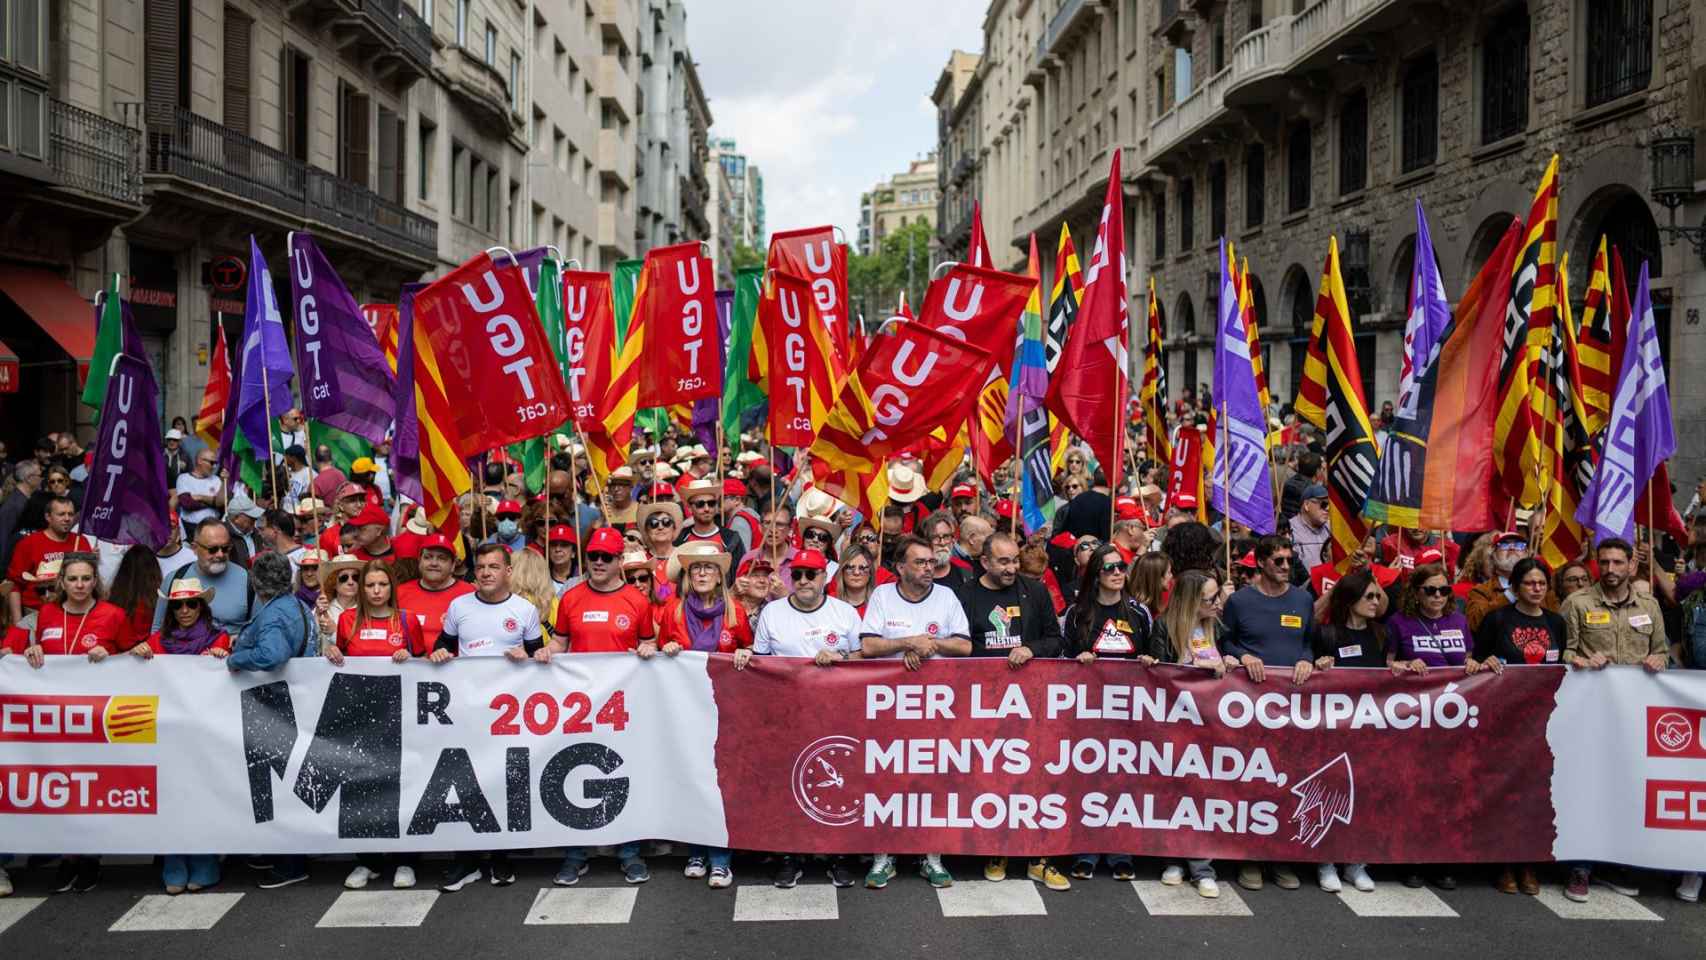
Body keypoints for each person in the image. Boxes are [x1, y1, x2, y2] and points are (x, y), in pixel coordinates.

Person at [541, 528, 658, 886]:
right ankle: (577, 853)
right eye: (593, 556)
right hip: (578, 704)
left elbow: (648, 641)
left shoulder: (637, 601)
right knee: (576, 772)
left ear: (620, 561)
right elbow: (561, 640)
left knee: (621, 774)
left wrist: (648, 649)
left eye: (607, 557)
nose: (599, 563)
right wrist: (547, 652)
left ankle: (629, 850)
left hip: (623, 703)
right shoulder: (571, 597)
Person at [954, 532, 1071, 891]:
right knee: (993, 780)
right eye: (1003, 562)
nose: (1011, 568)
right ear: (984, 562)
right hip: (983, 704)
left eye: (1014, 560)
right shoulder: (966, 594)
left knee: (1036, 779)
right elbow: (958, 645)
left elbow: (1056, 639)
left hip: (1030, 703)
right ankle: (998, 849)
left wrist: (1031, 649)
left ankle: (1039, 857)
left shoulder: (1034, 592)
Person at [739, 546, 862, 887]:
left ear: (825, 577)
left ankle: (837, 855)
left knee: (837, 784)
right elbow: (761, 664)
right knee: (787, 787)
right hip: (786, 715)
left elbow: (864, 659)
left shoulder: (845, 613)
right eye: (797, 575)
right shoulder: (773, 613)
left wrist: (839, 657)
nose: (804, 581)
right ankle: (788, 856)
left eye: (811, 574)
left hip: (835, 713)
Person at [427, 543, 545, 891]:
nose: (486, 573)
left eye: (494, 567)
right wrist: (438, 655)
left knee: (504, 783)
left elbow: (542, 659)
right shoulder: (458, 606)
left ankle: (500, 857)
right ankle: (465, 860)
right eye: (480, 567)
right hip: (466, 712)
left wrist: (528, 654)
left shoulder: (525, 610)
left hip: (508, 717)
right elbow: (442, 646)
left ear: (508, 571)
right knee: (465, 783)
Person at [1559, 537, 1668, 903]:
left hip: (1636, 717)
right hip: (1591, 714)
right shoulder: (1576, 603)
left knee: (1630, 788)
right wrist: (1577, 660)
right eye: (1603, 563)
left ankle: (1622, 862)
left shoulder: (1650, 606)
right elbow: (1564, 652)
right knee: (1588, 789)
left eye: (1618, 563)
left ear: (1630, 566)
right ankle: (1581, 866)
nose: (1610, 570)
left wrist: (1659, 662)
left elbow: (1663, 652)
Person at [859, 534, 971, 890]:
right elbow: (870, 644)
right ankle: (883, 856)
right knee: (886, 778)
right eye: (920, 563)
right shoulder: (882, 596)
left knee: (932, 779)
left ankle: (931, 855)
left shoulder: (947, 596)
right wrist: (908, 642)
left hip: (935, 706)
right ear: (900, 567)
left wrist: (930, 644)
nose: (930, 568)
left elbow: (965, 646)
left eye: (931, 562)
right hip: (888, 706)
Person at [1220, 534, 1315, 893]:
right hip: (1249, 706)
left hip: (1292, 707)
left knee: (1289, 782)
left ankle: (1281, 856)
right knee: (1254, 782)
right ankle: (1250, 856)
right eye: (1279, 561)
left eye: (1290, 560)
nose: (1287, 567)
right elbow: (1223, 641)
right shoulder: (1240, 601)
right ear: (1260, 563)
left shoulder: (1303, 599)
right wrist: (1242, 656)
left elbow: (1309, 641)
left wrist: (1306, 659)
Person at [324, 560, 426, 890]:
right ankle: (367, 860)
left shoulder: (407, 620)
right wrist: (331, 650)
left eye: (382, 585)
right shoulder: (347, 620)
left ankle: (406, 859)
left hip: (401, 719)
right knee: (360, 791)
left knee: (402, 788)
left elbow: (427, 666)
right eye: (370, 585)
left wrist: (410, 658)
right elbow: (334, 656)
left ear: (392, 587)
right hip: (359, 721)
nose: (377, 591)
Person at [222, 552, 315, 887]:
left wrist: (237, 658)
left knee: (278, 782)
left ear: (255, 582)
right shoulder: (297, 606)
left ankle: (290, 861)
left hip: (275, 706)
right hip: (289, 704)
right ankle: (282, 852)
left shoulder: (275, 613)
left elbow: (272, 656)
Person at [1308, 570, 1390, 894]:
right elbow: (1308, 671)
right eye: (1369, 596)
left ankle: (1356, 863)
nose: (1376, 602)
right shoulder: (1327, 635)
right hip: (1332, 731)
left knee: (1365, 796)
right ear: (1350, 600)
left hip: (1368, 731)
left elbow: (1388, 674)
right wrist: (1319, 668)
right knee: (1332, 794)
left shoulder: (1381, 634)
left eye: (1377, 596)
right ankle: (1326, 861)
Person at [1147, 569, 1227, 897]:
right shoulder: (1164, 627)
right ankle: (1173, 860)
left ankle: (1202, 866)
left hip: (1209, 726)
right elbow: (1159, 676)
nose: (1218, 603)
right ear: (1193, 601)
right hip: (1172, 724)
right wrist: (1195, 669)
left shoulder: (1217, 628)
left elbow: (1232, 660)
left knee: (1202, 795)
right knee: (1173, 794)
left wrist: (1231, 661)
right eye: (1210, 599)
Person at [6, 495, 95, 622]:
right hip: (37, 613)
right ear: (48, 517)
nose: (67, 518)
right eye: (61, 514)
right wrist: (18, 622)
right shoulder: (29, 543)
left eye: (70, 514)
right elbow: (14, 585)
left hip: (75, 613)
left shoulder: (81, 541)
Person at [154, 520, 251, 634]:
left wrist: (240, 640)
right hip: (185, 650)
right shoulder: (176, 579)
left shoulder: (246, 579)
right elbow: (158, 629)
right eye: (212, 549)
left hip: (233, 649)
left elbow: (259, 629)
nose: (220, 554)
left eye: (225, 548)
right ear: (194, 548)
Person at [395, 534, 474, 637]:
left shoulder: (469, 593)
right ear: (419, 561)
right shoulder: (399, 593)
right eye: (428, 557)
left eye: (442, 558)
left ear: (453, 565)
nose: (434, 563)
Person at [675, 477, 743, 567]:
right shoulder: (680, 539)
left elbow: (738, 573)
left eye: (711, 503)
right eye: (700, 504)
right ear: (689, 508)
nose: (707, 509)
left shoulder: (731, 538)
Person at [314, 554, 366, 652]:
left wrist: (335, 631)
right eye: (344, 578)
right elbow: (312, 639)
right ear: (333, 582)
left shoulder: (366, 611)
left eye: (355, 577)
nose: (351, 582)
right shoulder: (323, 609)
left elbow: (362, 646)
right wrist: (317, 615)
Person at [1288, 484, 1332, 573]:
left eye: (1330, 504)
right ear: (1307, 505)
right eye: (1324, 504)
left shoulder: (1332, 528)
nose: (1327, 509)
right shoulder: (1289, 529)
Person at [175, 449, 223, 529]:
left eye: (216, 463)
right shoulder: (184, 478)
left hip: (213, 526)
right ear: (199, 461)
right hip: (190, 527)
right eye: (211, 463)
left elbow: (222, 504)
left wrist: (200, 497)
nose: (214, 467)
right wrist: (214, 503)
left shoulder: (217, 480)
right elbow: (187, 503)